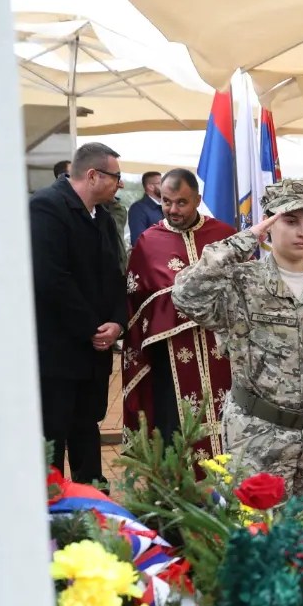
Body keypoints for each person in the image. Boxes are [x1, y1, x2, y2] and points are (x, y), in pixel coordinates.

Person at [171, 179, 303, 502]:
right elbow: (186, 295)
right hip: (258, 437)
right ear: (269, 224)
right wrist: (246, 239)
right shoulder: (242, 283)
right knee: (256, 528)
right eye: (290, 221)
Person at [121, 168, 237, 459]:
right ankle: (177, 482)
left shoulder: (224, 237)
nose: (173, 209)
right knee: (174, 423)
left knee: (227, 417)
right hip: (170, 355)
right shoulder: (148, 242)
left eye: (181, 202)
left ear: (197, 200)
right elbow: (136, 302)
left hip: (221, 349)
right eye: (166, 201)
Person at [29, 142, 127, 487]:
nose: (120, 184)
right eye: (116, 176)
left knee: (87, 429)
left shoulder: (102, 216)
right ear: (93, 175)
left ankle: (93, 499)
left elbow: (116, 273)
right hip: (58, 351)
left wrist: (117, 322)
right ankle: (53, 507)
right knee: (52, 437)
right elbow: (51, 278)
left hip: (93, 353)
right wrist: (91, 328)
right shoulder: (46, 207)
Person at [126, 171, 165, 243]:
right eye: (161, 183)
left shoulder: (166, 206)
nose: (165, 187)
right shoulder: (138, 209)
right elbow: (138, 240)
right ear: (150, 187)